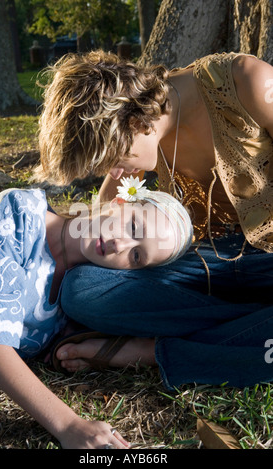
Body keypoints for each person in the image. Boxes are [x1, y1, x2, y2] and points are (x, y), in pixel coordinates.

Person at [34, 49, 273, 387]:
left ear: (134, 122)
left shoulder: (249, 81)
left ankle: (149, 351)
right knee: (82, 289)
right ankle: (250, 326)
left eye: (113, 159)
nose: (115, 172)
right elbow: (108, 203)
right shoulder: (144, 134)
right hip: (200, 262)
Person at [0, 180, 192, 449]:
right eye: (132, 226)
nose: (119, 245)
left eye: (136, 256)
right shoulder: (17, 213)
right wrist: (68, 425)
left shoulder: (72, 300)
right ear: (119, 203)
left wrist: (98, 351)